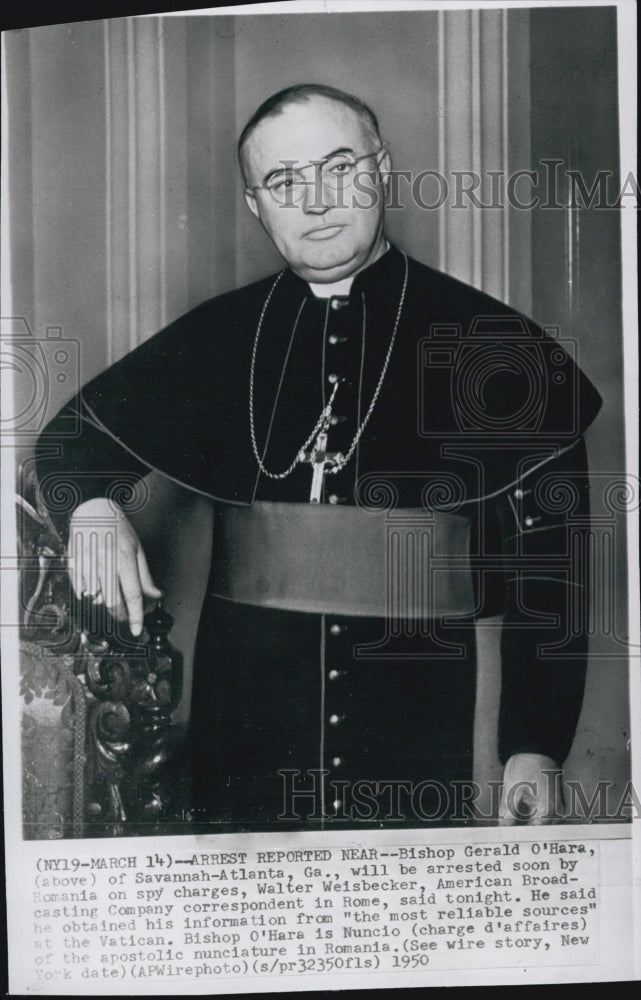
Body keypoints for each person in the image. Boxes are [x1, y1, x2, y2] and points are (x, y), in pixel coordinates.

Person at [36, 84, 602, 830]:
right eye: (283, 181)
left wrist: (534, 745)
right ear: (254, 205)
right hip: (244, 717)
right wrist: (94, 504)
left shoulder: (491, 341)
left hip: (410, 714)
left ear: (383, 169)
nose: (315, 201)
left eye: (339, 168)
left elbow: (549, 567)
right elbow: (72, 440)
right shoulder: (220, 333)